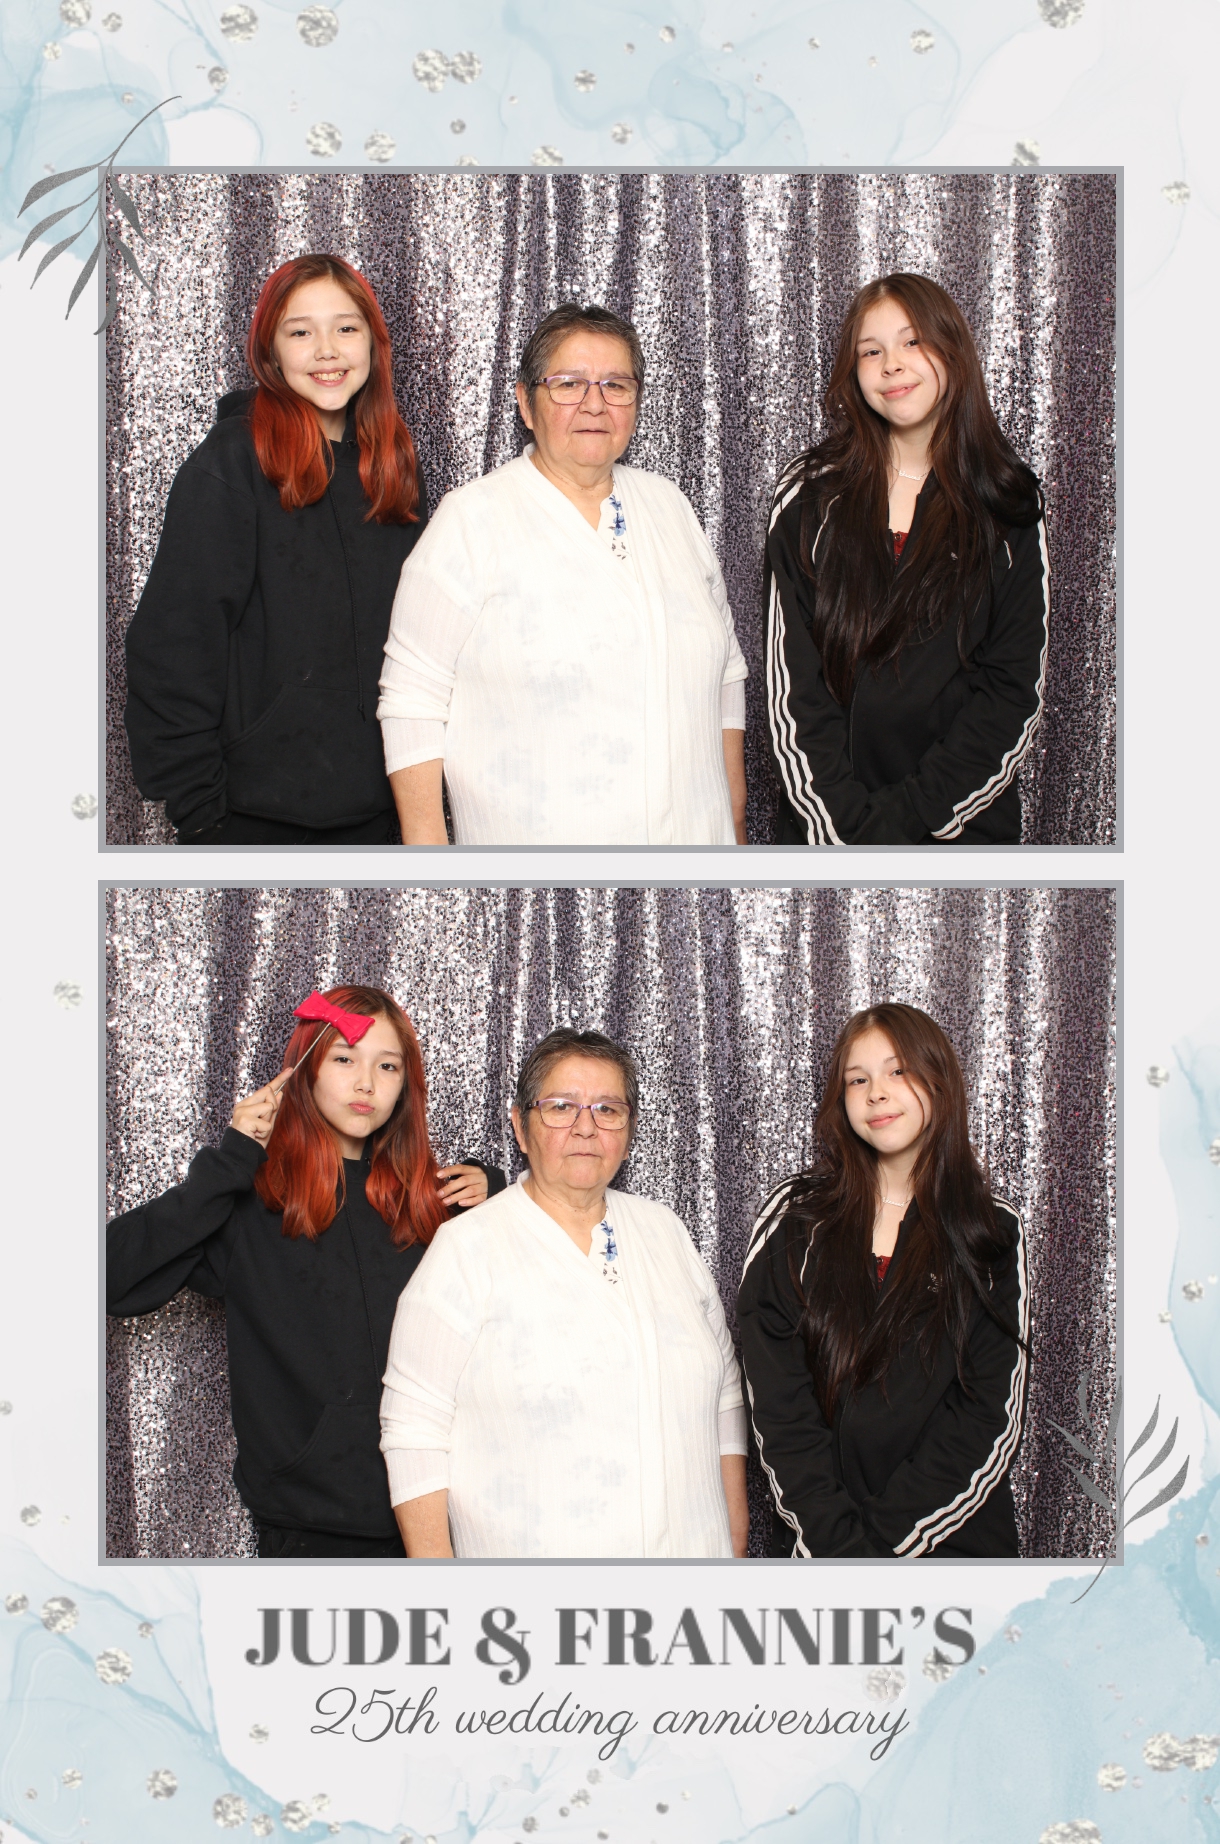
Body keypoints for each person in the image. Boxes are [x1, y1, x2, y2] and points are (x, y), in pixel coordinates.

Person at [107, 986, 506, 1558]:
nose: (366, 1083)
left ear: (406, 1086)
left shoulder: (433, 1204)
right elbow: (112, 1275)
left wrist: (501, 1197)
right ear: (304, 1072)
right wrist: (230, 1162)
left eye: (387, 1066)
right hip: (310, 1531)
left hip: (442, 1524)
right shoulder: (251, 1203)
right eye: (344, 1059)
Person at [376, 303, 749, 847]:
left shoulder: (669, 505)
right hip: (537, 884)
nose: (595, 404)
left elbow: (726, 673)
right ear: (526, 403)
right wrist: (429, 867)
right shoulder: (472, 520)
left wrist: (735, 822)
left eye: (616, 385)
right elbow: (412, 700)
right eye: (568, 384)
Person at [380, 1028, 749, 1557]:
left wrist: (734, 1539)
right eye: (560, 1107)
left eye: (608, 1109)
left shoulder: (665, 1230)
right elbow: (413, 1428)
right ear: (520, 1127)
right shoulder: (467, 1248)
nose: (586, 1127)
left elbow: (725, 1394)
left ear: (629, 1129)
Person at [124, 254, 426, 845]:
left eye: (346, 328)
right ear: (271, 351)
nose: (326, 351)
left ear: (372, 342)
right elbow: (174, 643)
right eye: (300, 332)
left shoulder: (389, 468)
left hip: (374, 817)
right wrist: (200, 811)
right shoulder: (232, 463)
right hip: (250, 821)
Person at [766, 273, 1049, 845]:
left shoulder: (1008, 501)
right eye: (871, 351)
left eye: (913, 341)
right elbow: (794, 692)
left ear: (952, 352)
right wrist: (846, 833)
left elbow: (1013, 692)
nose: (892, 364)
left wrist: (906, 821)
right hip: (827, 836)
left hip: (960, 837)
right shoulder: (809, 495)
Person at [738, 1003, 1027, 1558]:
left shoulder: (990, 1229)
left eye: (898, 1071)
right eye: (858, 1079)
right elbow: (779, 1409)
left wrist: (876, 1555)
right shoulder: (794, 1218)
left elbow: (987, 1417)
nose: (876, 1093)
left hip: (956, 1555)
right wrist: (839, 1552)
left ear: (939, 1081)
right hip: (820, 1553)